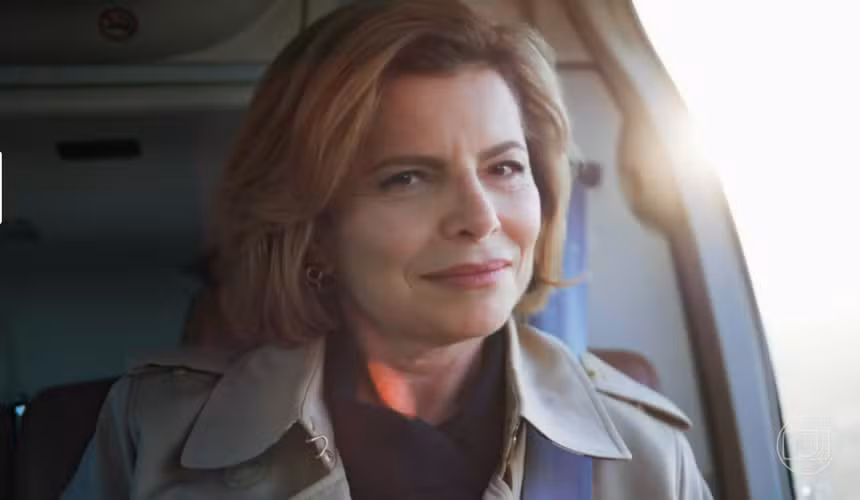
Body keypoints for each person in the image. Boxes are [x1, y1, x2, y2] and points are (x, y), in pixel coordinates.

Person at [63, 1, 713, 498]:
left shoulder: (644, 452)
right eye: (408, 178)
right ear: (315, 227)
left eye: (504, 167)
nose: (480, 218)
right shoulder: (154, 431)